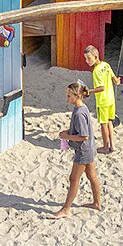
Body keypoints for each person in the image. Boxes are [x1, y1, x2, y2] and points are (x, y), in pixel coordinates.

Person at [52, 81, 101, 218]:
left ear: (77, 95)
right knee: (92, 176)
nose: (66, 98)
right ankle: (97, 203)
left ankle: (66, 209)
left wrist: (67, 136)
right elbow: (81, 129)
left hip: (83, 151)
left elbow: (83, 136)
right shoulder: (82, 107)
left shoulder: (79, 113)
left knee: (73, 179)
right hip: (90, 148)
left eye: (69, 96)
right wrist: (68, 131)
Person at [84, 45, 121, 153]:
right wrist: (118, 80)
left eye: (89, 58)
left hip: (103, 101)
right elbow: (115, 81)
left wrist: (89, 91)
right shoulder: (106, 65)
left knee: (104, 124)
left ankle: (105, 147)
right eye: (86, 58)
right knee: (110, 122)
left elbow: (101, 88)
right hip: (111, 99)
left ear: (96, 56)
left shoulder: (96, 71)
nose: (87, 61)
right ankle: (112, 146)